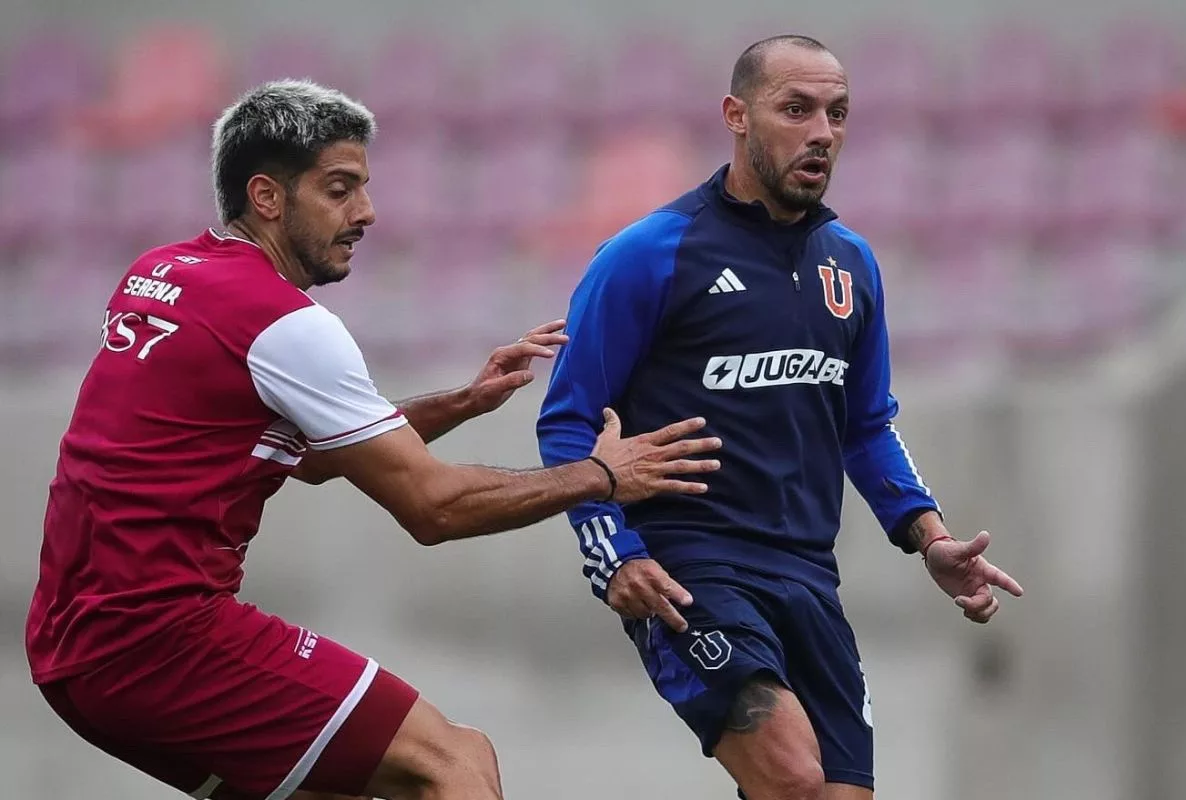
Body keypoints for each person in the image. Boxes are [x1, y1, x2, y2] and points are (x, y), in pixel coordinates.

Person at [25, 79, 722, 800]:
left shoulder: (162, 272)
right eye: (339, 189)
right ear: (267, 197)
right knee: (453, 763)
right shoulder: (281, 321)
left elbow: (310, 458)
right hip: (162, 642)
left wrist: (463, 401)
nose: (367, 212)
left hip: (71, 652)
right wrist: (600, 475)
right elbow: (435, 509)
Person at [536, 35, 1024, 800]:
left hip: (806, 575)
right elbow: (566, 425)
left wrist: (930, 537)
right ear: (737, 115)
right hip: (689, 567)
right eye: (796, 109)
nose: (822, 131)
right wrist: (614, 554)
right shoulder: (649, 255)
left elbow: (866, 424)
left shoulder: (852, 264)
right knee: (793, 777)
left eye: (837, 113)